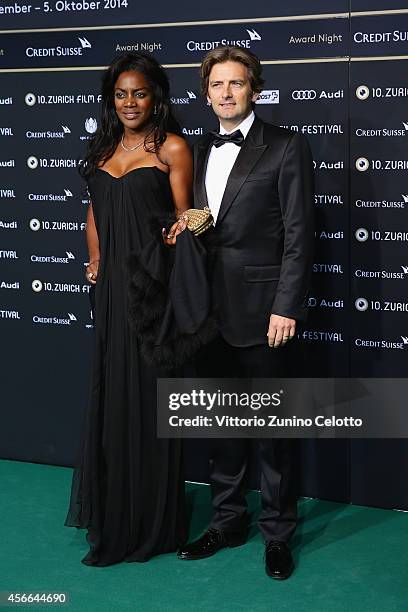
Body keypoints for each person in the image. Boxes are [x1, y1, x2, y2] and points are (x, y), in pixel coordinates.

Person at [177, 46, 314, 579]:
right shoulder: (197, 148)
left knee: (272, 431)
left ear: (254, 89)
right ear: (206, 91)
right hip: (209, 311)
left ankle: (277, 533)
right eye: (217, 85)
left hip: (265, 313)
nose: (226, 94)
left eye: (236, 84)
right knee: (223, 426)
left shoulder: (284, 147)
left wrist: (286, 306)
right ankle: (228, 521)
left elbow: (301, 235)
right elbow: (205, 223)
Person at [64, 52, 192, 566]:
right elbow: (95, 211)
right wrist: (95, 262)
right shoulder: (101, 148)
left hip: (152, 290)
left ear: (156, 97)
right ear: (110, 99)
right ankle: (116, 510)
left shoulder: (172, 149)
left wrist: (178, 236)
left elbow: (186, 219)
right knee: (113, 395)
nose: (130, 102)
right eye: (121, 94)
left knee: (149, 399)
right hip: (112, 291)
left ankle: (153, 519)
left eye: (139, 93)